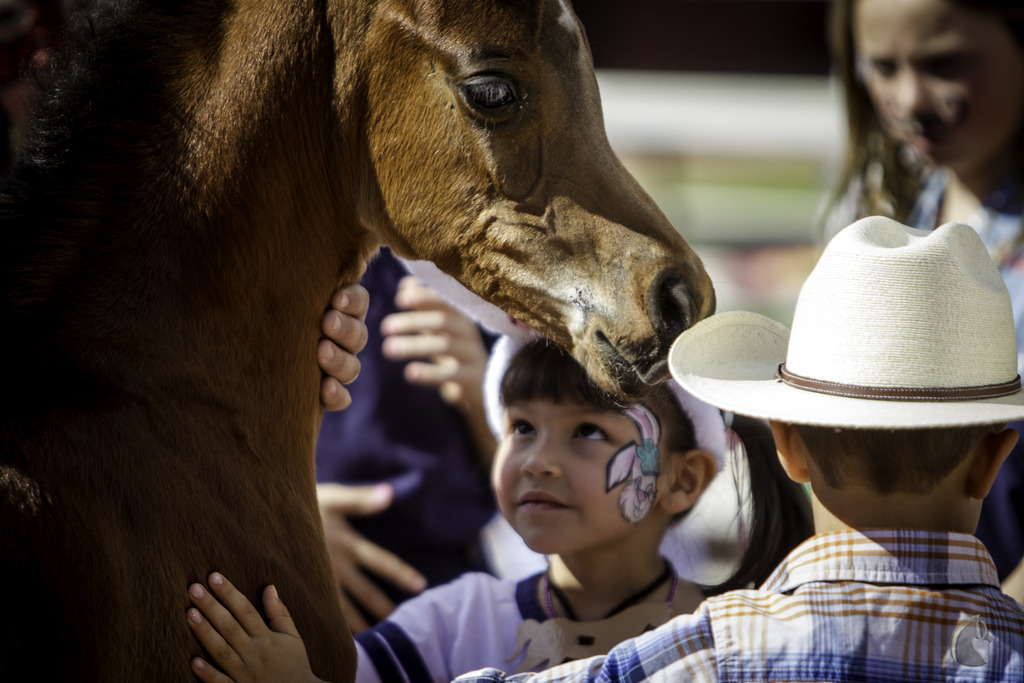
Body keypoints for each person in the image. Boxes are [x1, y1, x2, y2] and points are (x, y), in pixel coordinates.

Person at [179, 333, 813, 682]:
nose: (538, 459)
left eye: (587, 432)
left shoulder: (724, 637)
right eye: (520, 428)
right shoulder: (453, 622)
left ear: (682, 479)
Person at [822, 0, 1024, 587]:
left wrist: (989, 629)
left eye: (948, 62)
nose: (909, 100)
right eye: (883, 67)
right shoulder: (878, 215)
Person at [314, 248, 504, 634]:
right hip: (299, 579)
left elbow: (542, 461)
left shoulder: (461, 253)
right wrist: (295, 520)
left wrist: (486, 397)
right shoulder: (249, 252)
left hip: (453, 582)